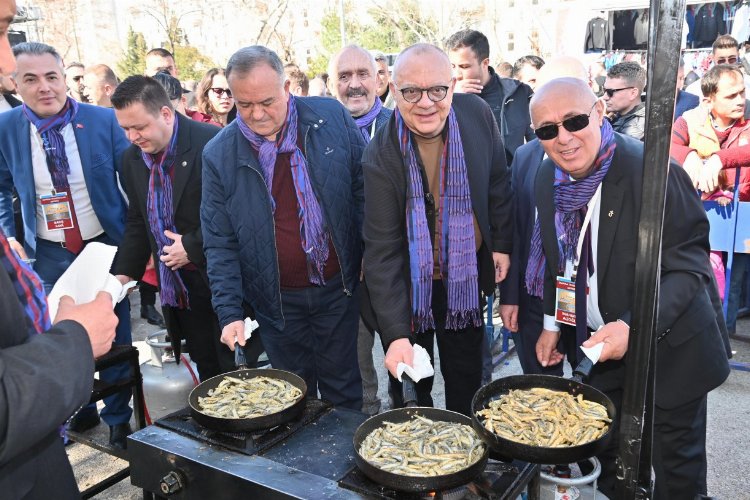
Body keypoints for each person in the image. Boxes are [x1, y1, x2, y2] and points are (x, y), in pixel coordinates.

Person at [530, 77, 730, 498]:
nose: (563, 138)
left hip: (671, 348)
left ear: (600, 112)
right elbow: (563, 259)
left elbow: (689, 270)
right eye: (547, 130)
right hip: (601, 352)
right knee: (611, 467)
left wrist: (633, 328)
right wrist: (553, 322)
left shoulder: (652, 172)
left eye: (574, 121)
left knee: (677, 478)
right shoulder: (548, 176)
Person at [201, 46, 366, 410]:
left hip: (337, 289)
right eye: (245, 105)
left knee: (343, 390)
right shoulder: (219, 155)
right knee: (292, 397)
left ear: (287, 86)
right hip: (276, 300)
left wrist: (368, 256)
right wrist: (229, 312)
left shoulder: (332, 118)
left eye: (267, 102)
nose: (257, 114)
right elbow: (220, 242)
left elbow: (363, 189)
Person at [0, 3, 118, 496]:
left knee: (110, 328)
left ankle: (120, 416)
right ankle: (76, 409)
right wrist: (10, 236)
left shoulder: (100, 120)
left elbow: (129, 178)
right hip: (47, 252)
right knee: (53, 329)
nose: (44, 86)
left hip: (100, 244)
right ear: (19, 87)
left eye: (52, 76)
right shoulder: (6, 130)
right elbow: (4, 186)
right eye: (31, 79)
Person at [362, 43, 512, 417]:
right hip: (409, 285)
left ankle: (470, 455)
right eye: (411, 91)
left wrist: (502, 245)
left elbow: (498, 185)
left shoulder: (477, 114)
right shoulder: (380, 153)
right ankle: (420, 460)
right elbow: (381, 249)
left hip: (463, 279)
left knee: (467, 378)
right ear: (393, 92)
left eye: (437, 90)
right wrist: (396, 335)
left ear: (452, 84)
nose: (426, 102)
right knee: (412, 385)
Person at [110, 75, 234, 380]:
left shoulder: (212, 142)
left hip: (223, 283)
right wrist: (118, 280)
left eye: (139, 127)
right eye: (125, 129)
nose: (132, 137)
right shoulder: (131, 160)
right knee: (208, 370)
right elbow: (138, 222)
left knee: (236, 369)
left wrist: (191, 247)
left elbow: (238, 214)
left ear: (166, 114)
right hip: (180, 292)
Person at [499, 56, 590, 376]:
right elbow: (516, 232)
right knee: (540, 395)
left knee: (590, 399)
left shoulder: (618, 160)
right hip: (534, 296)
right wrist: (510, 297)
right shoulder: (525, 156)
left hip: (589, 305)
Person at [329, 44, 393, 415]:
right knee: (354, 366)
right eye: (344, 76)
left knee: (406, 361)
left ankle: (408, 423)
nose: (354, 85)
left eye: (363, 74)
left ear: (379, 80)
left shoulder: (400, 127)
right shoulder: (315, 133)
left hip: (392, 271)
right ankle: (365, 422)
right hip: (341, 276)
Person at [671, 64, 750, 337]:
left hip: (741, 219)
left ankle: (722, 339)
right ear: (708, 100)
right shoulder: (690, 120)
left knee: (734, 281)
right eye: (731, 95)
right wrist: (690, 155)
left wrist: (719, 159)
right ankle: (706, 335)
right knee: (702, 277)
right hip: (701, 216)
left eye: (742, 92)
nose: (740, 100)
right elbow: (667, 144)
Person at [446, 29, 535, 165]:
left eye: (464, 66)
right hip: (467, 181)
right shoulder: (444, 97)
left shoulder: (519, 92)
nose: (457, 74)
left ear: (485, 63)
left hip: (511, 180)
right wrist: (452, 99)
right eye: (452, 66)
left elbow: (537, 144)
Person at [603, 61, 646, 140]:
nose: (604, 97)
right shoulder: (619, 115)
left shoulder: (634, 129)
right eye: (604, 90)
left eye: (610, 92)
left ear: (633, 93)